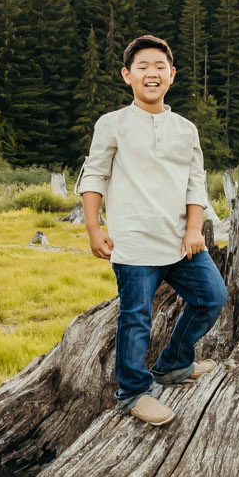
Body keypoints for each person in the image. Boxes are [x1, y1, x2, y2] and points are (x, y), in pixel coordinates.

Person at [78, 34, 224, 426]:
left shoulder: (185, 129)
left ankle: (174, 364)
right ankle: (133, 392)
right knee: (136, 316)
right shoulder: (113, 124)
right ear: (128, 75)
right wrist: (94, 227)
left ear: (172, 75)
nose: (152, 74)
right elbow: (93, 176)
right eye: (142, 67)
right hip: (135, 242)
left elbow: (196, 182)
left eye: (160, 67)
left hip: (180, 241)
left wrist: (195, 229)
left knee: (211, 296)